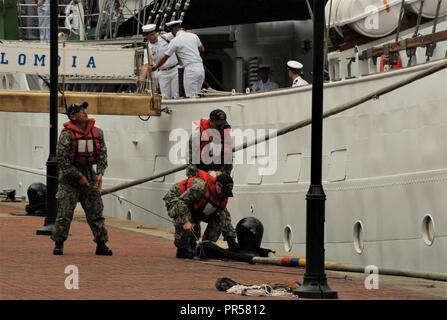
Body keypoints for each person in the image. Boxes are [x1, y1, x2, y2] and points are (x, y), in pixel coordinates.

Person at [51, 102, 112, 256]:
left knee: (95, 211)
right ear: (73, 116)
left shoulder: (98, 132)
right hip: (69, 178)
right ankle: (59, 243)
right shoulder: (66, 135)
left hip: (89, 174)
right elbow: (63, 162)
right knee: (64, 213)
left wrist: (99, 173)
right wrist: (79, 178)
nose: (84, 112)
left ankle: (101, 243)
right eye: (80, 111)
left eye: (85, 110)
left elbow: (102, 155)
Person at [163, 170, 239, 259]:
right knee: (188, 224)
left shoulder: (222, 196)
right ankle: (182, 250)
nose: (224, 195)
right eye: (223, 191)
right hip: (175, 200)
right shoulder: (200, 188)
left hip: (193, 206)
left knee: (221, 216)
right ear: (218, 185)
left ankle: (206, 246)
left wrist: (231, 240)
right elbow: (181, 203)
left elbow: (225, 217)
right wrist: (185, 221)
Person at [149, 20, 205, 98]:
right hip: (200, 68)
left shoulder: (175, 41)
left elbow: (165, 58)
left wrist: (155, 67)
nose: (172, 34)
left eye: (171, 31)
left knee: (191, 96)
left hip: (190, 70)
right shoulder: (193, 35)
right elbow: (202, 49)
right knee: (197, 94)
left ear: (173, 29)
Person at [137, 24, 179, 99]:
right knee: (165, 97)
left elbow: (178, 33)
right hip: (162, 73)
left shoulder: (165, 37)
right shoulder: (148, 49)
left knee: (176, 95)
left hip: (174, 70)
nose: (155, 36)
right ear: (147, 37)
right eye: (151, 35)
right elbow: (146, 65)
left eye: (155, 33)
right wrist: (141, 79)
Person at [187, 109, 233, 178]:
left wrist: (226, 175)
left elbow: (228, 157)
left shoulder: (225, 133)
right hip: (201, 170)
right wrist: (192, 178)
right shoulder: (197, 135)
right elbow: (192, 160)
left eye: (222, 124)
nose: (221, 127)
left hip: (218, 170)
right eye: (218, 124)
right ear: (211, 121)